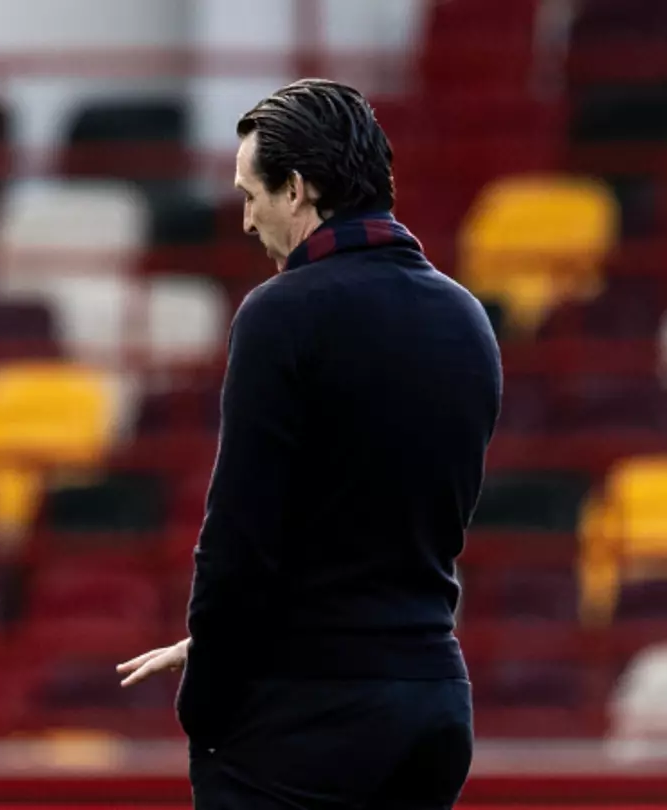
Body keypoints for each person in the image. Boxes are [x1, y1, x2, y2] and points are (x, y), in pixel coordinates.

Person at [117, 79, 501, 809]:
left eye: (250, 194)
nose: (244, 219)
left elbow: (240, 536)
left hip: (306, 724)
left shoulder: (282, 315)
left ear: (295, 190)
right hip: (431, 705)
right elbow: (381, 525)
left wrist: (208, 702)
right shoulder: (466, 319)